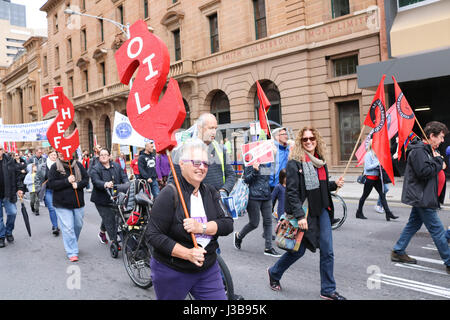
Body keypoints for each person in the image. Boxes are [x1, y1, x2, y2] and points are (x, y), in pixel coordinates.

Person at [146, 139, 234, 300]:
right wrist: (187, 254)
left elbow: (228, 224)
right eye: (196, 162)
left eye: (205, 164)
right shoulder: (169, 194)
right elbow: (153, 235)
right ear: (182, 163)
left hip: (208, 269)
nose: (201, 167)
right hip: (172, 271)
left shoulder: (210, 192)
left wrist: (201, 228)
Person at [267, 126, 346, 300]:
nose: (309, 142)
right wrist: (300, 217)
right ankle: (274, 272)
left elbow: (321, 186)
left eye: (312, 138)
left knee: (328, 251)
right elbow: (292, 192)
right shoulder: (294, 163)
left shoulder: (320, 161)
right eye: (305, 139)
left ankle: (327, 289)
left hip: (322, 211)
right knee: (298, 251)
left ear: (316, 140)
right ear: (300, 142)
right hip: (305, 213)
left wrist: (334, 184)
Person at [391, 121, 450, 274]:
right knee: (437, 229)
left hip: (425, 195)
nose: (442, 141)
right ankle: (449, 261)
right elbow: (424, 171)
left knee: (413, 225)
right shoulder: (418, 151)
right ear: (431, 136)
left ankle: (398, 251)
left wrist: (437, 160)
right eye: (441, 137)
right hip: (422, 197)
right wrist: (439, 162)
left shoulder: (427, 150)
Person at [233, 159, 281, 257]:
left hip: (266, 196)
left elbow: (270, 177)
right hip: (254, 197)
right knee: (254, 223)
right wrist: (255, 170)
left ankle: (268, 248)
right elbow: (246, 180)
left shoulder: (265, 164)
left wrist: (273, 158)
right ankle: (239, 236)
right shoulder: (249, 164)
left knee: (268, 222)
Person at [48, 152, 89, 262]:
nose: (61, 155)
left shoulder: (78, 165)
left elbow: (86, 179)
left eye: (63, 153)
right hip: (62, 204)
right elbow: (51, 184)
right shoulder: (54, 167)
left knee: (78, 225)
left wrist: (78, 184)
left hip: (78, 203)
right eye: (59, 153)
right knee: (68, 228)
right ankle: (72, 251)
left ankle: (72, 242)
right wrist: (67, 181)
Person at [90, 148, 129, 251]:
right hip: (101, 200)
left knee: (108, 217)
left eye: (105, 154)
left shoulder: (116, 166)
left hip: (115, 197)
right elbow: (95, 181)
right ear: (99, 156)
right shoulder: (95, 168)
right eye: (101, 155)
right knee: (110, 218)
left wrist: (127, 183)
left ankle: (102, 233)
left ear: (109, 156)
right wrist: (105, 184)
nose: (103, 156)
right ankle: (114, 241)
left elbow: (124, 176)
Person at [355, 141, 398, 221]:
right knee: (364, 196)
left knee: (382, 195)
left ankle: (388, 213)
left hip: (377, 178)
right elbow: (367, 167)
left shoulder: (378, 155)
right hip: (370, 179)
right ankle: (359, 212)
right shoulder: (368, 155)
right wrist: (378, 164)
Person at [0, 147, 25, 248]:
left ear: (2, 150)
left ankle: (8, 232)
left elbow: (18, 176)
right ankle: (1, 237)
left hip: (8, 193)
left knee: (12, 212)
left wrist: (20, 188)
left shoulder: (10, 161)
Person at [36, 149, 60, 236]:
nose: (54, 156)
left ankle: (62, 224)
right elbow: (37, 178)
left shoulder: (60, 165)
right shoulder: (42, 166)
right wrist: (39, 189)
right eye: (52, 155)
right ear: (49, 156)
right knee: (51, 208)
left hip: (59, 190)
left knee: (60, 209)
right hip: (48, 190)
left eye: (55, 155)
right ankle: (55, 226)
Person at [269, 127, 290, 192]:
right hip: (273, 186)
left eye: (286, 134)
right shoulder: (271, 149)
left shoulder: (288, 148)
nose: (286, 136)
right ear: (276, 136)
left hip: (286, 185)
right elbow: (263, 170)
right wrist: (272, 180)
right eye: (283, 134)